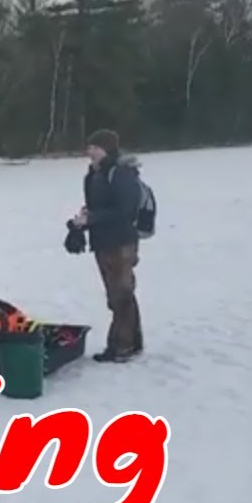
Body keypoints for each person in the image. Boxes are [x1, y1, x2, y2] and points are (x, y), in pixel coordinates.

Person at [71, 129, 144, 362]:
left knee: (120, 294)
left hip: (121, 241)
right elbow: (98, 206)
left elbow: (125, 211)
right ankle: (132, 342)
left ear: (104, 148)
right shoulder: (94, 174)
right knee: (119, 294)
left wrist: (92, 219)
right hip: (103, 241)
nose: (88, 151)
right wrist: (81, 223)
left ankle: (122, 346)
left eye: (92, 147)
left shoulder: (120, 173)